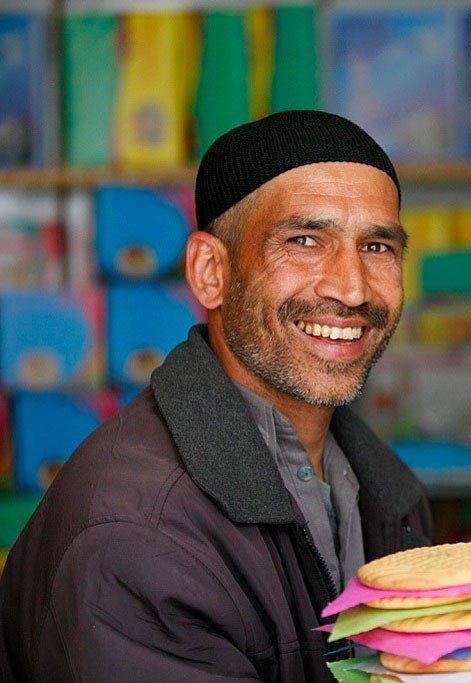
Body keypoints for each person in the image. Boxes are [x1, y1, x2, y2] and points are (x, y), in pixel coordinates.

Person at [0, 111, 433, 682]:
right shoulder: (138, 537)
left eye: (378, 247)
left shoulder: (386, 488)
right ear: (211, 272)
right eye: (304, 241)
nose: (351, 288)